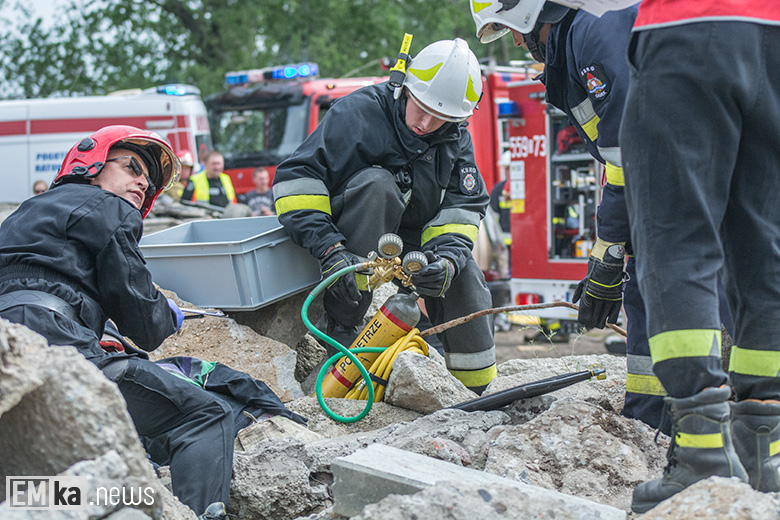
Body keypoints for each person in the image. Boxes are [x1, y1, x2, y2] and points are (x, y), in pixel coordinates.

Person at [0, 126, 231, 519]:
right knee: (206, 416)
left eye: (148, 179)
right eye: (132, 167)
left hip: (18, 343)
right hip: (54, 343)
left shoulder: (24, 215)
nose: (142, 182)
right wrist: (165, 312)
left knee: (40, 483)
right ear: (89, 164)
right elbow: (145, 323)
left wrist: (101, 331)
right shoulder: (107, 206)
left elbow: (43, 282)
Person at [470, 0, 671, 427]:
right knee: (651, 295)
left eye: (513, 30)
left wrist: (610, 249)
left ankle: (671, 425)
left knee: (667, 293)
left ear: (529, 13)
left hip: (681, 180)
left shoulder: (591, 32)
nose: (520, 43)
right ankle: (655, 422)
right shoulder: (584, 37)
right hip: (670, 181)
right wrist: (617, 248)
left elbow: (625, 151)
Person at [616, 0, 780, 513]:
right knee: (765, 245)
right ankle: (764, 447)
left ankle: (703, 452)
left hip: (687, 27)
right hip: (773, 35)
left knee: (675, 239)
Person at [273, 38, 497, 394]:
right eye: (421, 107)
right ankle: (341, 336)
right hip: (349, 238)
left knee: (466, 275)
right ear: (404, 88)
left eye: (441, 117)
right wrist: (330, 249)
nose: (426, 122)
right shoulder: (358, 114)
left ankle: (475, 392)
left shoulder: (455, 137)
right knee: (376, 186)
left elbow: (461, 210)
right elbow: (294, 183)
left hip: (413, 243)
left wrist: (448, 262)